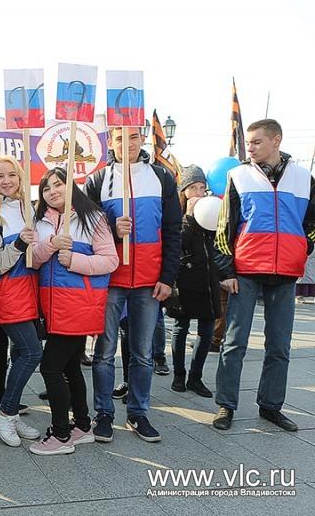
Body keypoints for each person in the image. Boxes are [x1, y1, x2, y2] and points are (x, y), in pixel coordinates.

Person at [212, 119, 315, 431]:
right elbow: (224, 227)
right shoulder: (238, 175)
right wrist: (227, 270)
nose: (251, 148)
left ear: (276, 140)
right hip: (245, 270)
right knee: (234, 342)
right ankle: (225, 405)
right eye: (250, 142)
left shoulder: (303, 177)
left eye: (257, 142)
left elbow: (312, 223)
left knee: (280, 346)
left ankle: (271, 406)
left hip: (286, 273)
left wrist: (301, 248)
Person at [85, 127, 182, 443]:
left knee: (142, 353)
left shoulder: (161, 177)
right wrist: (113, 231)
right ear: (110, 142)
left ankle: (138, 413)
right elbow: (86, 231)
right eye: (120, 138)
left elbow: (173, 231)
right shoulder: (97, 181)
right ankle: (103, 414)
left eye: (133, 137)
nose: (127, 143)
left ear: (142, 139)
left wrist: (167, 277)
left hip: (149, 281)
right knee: (104, 352)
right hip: (109, 279)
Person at [29, 167, 118, 455]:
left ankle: (61, 434)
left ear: (71, 186)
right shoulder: (40, 221)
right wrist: (51, 245)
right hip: (52, 305)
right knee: (69, 367)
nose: (52, 191)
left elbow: (110, 261)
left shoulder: (93, 218)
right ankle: (82, 425)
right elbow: (33, 261)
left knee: (50, 367)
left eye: (58, 184)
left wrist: (75, 260)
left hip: (79, 304)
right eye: (46, 188)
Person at [0, 155, 42, 447]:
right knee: (32, 352)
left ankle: (11, 413)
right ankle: (4, 411)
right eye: (0, 176)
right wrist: (19, 243)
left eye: (12, 175)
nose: (6, 181)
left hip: (28, 291)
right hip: (6, 293)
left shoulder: (29, 209)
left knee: (20, 354)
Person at [168, 165, 221, 397]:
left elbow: (220, 243)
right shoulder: (176, 214)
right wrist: (189, 217)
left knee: (207, 330)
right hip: (185, 279)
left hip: (208, 279)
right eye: (193, 188)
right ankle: (178, 374)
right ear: (184, 191)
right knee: (181, 327)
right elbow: (177, 243)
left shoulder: (212, 210)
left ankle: (195, 377)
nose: (198, 193)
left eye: (202, 188)